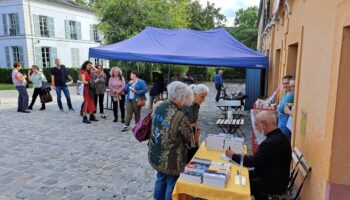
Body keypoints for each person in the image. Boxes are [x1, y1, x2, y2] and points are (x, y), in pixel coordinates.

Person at [225, 111, 292, 200]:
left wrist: (232, 155)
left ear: (264, 124)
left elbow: (251, 162)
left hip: (273, 183)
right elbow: (259, 158)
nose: (256, 128)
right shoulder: (278, 136)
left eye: (256, 125)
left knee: (240, 183)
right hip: (272, 175)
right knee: (241, 174)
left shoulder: (272, 142)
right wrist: (244, 157)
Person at [148, 81, 195, 200]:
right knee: (171, 182)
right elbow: (188, 137)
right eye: (185, 98)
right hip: (172, 158)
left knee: (160, 178)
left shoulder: (159, 106)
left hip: (156, 151)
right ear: (180, 97)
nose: (185, 101)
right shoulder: (180, 116)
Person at [180, 84, 209, 162]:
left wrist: (196, 133)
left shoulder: (196, 105)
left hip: (193, 135)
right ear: (194, 94)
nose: (204, 100)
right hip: (185, 139)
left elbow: (194, 120)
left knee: (193, 157)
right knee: (187, 159)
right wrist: (192, 136)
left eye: (205, 97)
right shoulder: (185, 105)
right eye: (202, 97)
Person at [277, 75, 294, 140]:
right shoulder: (286, 93)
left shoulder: (293, 94)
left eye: (287, 83)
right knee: (281, 136)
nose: (285, 85)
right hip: (281, 117)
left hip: (286, 118)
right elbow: (282, 104)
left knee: (284, 137)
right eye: (284, 84)